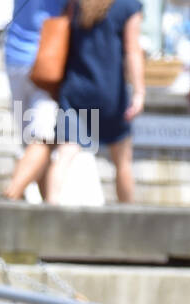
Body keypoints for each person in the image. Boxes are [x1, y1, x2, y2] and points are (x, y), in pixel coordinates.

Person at [48, 0, 144, 204]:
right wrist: (139, 92)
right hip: (110, 92)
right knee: (122, 161)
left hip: (76, 89)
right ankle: (129, 219)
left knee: (64, 155)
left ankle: (51, 209)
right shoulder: (128, 6)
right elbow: (133, 51)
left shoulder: (76, 4)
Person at [2, 0, 68, 201]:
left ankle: (50, 211)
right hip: (47, 60)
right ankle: (10, 197)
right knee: (44, 139)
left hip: (14, 57)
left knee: (35, 144)